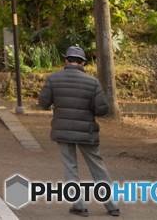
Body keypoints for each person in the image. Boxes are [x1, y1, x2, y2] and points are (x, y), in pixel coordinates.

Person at [37, 46, 120, 217]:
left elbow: (43, 103)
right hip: (86, 131)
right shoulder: (93, 81)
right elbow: (102, 109)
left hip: (63, 130)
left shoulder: (53, 78)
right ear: (83, 63)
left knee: (70, 167)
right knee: (98, 167)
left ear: (66, 60)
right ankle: (112, 206)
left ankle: (80, 206)